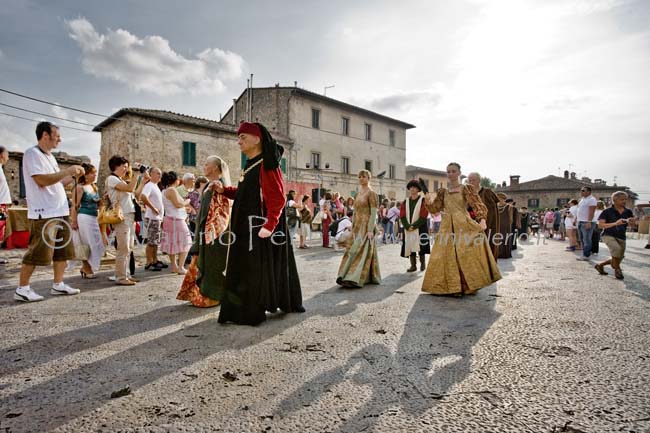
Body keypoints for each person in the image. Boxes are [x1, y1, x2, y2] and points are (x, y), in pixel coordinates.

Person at [215, 122, 304, 325]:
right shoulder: (250, 163)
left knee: (255, 270)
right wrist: (225, 191)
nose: (239, 141)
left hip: (260, 227)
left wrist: (269, 226)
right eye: (238, 137)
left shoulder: (267, 164)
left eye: (242, 137)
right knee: (245, 267)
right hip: (246, 227)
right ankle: (239, 310)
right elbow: (246, 194)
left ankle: (251, 311)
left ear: (257, 139)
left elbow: (278, 198)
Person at [15, 122, 84, 302]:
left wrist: (73, 176)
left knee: (62, 251)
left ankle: (58, 285)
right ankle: (22, 288)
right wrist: (66, 170)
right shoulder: (32, 154)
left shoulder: (50, 157)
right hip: (44, 213)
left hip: (59, 210)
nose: (60, 139)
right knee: (37, 252)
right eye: (57, 136)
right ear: (45, 135)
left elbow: (57, 182)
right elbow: (41, 181)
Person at [422, 163, 501, 296]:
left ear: (459, 173)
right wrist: (428, 201)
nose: (450, 174)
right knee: (444, 255)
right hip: (446, 226)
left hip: (463, 225)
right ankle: (449, 286)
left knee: (465, 254)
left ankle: (467, 285)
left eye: (453, 171)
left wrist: (482, 219)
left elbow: (477, 204)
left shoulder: (466, 189)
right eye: (448, 171)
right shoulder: (443, 192)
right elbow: (435, 210)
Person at [177, 156, 232, 307]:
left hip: (214, 234)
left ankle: (212, 297)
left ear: (215, 167)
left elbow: (222, 213)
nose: (204, 165)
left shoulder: (219, 185)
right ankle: (199, 294)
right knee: (202, 263)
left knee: (212, 264)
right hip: (205, 232)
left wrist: (210, 234)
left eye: (207, 164)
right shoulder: (208, 185)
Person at [336, 169, 381, 288]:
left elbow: (373, 213)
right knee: (351, 250)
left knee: (361, 251)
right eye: (359, 176)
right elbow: (355, 211)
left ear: (369, 178)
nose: (361, 178)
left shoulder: (372, 194)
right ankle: (346, 275)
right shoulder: (358, 193)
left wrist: (370, 229)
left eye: (364, 176)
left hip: (366, 226)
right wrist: (353, 224)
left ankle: (354, 278)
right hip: (357, 226)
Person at [106, 155, 142, 286]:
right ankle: (120, 277)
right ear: (116, 166)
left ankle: (126, 275)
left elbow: (135, 193)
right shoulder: (112, 179)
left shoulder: (121, 180)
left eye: (127, 166)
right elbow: (130, 189)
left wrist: (142, 180)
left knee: (129, 248)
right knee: (123, 248)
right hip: (121, 216)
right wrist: (136, 175)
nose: (126, 169)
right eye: (124, 166)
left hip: (129, 215)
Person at [70, 163, 104, 278]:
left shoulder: (94, 187)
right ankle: (86, 267)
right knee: (85, 243)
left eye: (95, 173)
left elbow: (97, 203)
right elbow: (74, 205)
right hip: (84, 217)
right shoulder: (79, 187)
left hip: (94, 217)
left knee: (96, 243)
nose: (94, 175)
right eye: (91, 173)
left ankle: (88, 266)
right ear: (85, 175)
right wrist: (74, 221)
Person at [595, 191, 636, 280]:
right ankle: (618, 270)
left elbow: (633, 225)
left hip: (621, 236)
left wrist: (632, 223)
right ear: (614, 200)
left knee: (618, 258)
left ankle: (600, 265)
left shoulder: (628, 211)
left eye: (625, 199)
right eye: (622, 199)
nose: (624, 201)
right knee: (616, 250)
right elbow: (600, 225)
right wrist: (615, 223)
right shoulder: (607, 211)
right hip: (608, 235)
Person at [160, 171, 193, 275]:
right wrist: (187, 202)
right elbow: (178, 204)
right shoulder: (171, 190)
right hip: (176, 221)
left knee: (171, 243)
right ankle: (180, 267)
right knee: (186, 241)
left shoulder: (165, 190)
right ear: (175, 180)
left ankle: (174, 266)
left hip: (170, 219)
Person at [467, 172, 500, 259]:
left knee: (487, 245)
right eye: (469, 180)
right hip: (471, 225)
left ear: (479, 180)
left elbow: (493, 211)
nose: (471, 182)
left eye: (473, 180)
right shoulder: (467, 194)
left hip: (487, 225)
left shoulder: (488, 193)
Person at [400, 179, 430, 272]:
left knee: (421, 246)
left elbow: (424, 215)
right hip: (408, 227)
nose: (412, 189)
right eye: (411, 187)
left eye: (415, 187)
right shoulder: (406, 201)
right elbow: (402, 215)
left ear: (418, 189)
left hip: (420, 227)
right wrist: (407, 225)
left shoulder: (423, 200)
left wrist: (414, 226)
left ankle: (422, 264)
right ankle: (413, 265)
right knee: (410, 245)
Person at [139, 168, 165, 272]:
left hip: (157, 218)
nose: (160, 175)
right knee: (151, 241)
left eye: (160, 174)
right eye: (158, 173)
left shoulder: (155, 186)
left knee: (155, 241)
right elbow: (143, 197)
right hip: (152, 217)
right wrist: (153, 208)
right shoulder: (149, 185)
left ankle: (155, 260)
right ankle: (149, 262)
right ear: (151, 174)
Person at [576, 186, 597, 261]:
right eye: (581, 190)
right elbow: (579, 210)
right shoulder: (582, 199)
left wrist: (589, 222)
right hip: (580, 221)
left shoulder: (592, 199)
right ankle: (584, 254)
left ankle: (586, 255)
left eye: (583, 190)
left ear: (589, 192)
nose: (581, 192)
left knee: (587, 239)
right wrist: (576, 219)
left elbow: (592, 211)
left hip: (586, 222)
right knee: (582, 239)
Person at [0, 145, 11, 264]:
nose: (8, 157)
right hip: (0, 205)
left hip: (2, 205)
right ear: (1, 155)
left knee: (1, 230)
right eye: (7, 154)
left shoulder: (1, 169)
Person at [495, 193, 513, 259]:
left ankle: (505, 254)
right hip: (497, 225)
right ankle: (498, 253)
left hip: (506, 226)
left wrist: (509, 226)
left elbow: (510, 218)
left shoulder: (509, 207)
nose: (499, 200)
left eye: (500, 198)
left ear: (503, 199)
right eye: (498, 198)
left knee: (505, 239)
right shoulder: (495, 206)